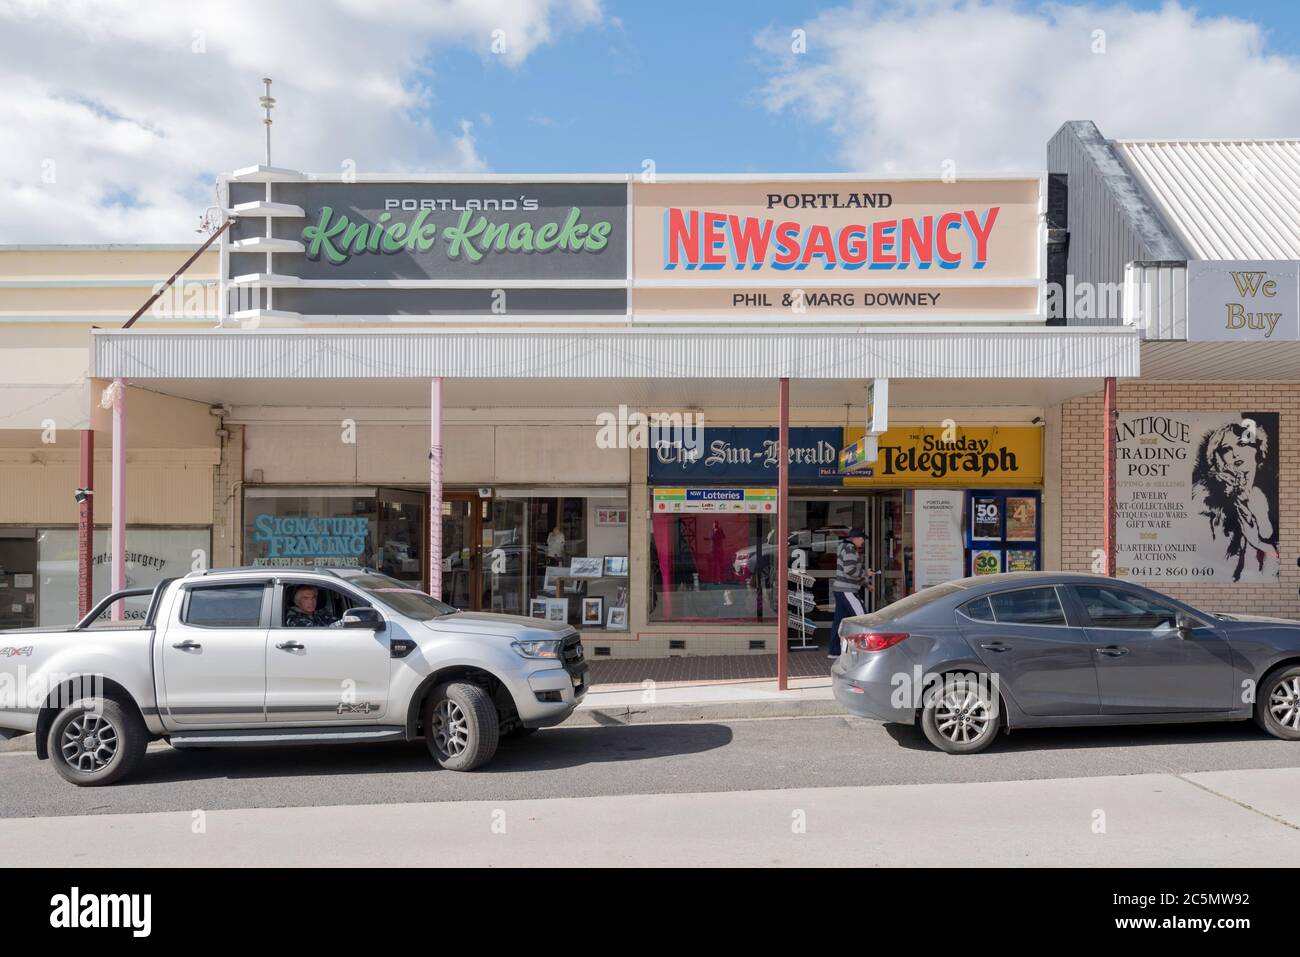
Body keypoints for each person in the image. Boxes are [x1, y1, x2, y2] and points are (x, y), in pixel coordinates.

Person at [829, 528, 870, 658]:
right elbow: (850, 570)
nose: (863, 541)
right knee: (863, 618)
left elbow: (848, 571)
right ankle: (867, 649)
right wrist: (866, 574)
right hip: (848, 591)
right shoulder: (850, 549)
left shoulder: (842, 547)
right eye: (862, 538)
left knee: (839, 622)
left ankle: (834, 651)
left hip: (840, 590)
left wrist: (866, 584)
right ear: (855, 538)